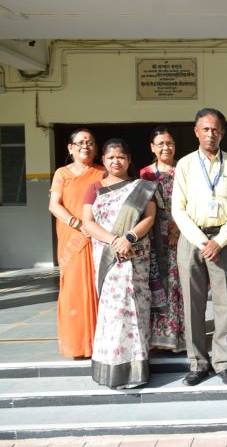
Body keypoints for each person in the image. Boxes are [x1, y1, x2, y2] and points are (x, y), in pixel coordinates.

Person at [172, 108, 227, 386]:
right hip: (192, 241)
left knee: (224, 305)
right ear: (196, 132)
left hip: (223, 241)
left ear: (222, 132)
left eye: (215, 129)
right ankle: (198, 363)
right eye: (205, 129)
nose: (210, 134)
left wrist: (219, 241)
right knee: (193, 304)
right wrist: (203, 242)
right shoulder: (185, 164)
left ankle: (223, 362)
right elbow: (178, 209)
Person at [82, 138, 157, 389]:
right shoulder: (94, 188)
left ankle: (136, 369)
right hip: (109, 258)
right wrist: (114, 240)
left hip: (134, 258)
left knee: (135, 310)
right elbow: (88, 222)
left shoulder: (141, 187)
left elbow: (149, 218)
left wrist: (129, 238)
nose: (116, 161)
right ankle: (110, 367)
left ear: (129, 160)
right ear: (103, 160)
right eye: (111, 157)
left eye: (121, 157)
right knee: (112, 314)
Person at [48, 128, 104, 358]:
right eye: (80, 143)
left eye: (90, 142)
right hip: (72, 238)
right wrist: (78, 224)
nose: (85, 146)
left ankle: (98, 342)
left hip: (97, 238)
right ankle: (77, 344)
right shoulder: (62, 173)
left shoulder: (102, 172)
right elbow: (54, 205)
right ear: (70, 148)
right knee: (73, 289)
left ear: (96, 148)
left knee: (98, 287)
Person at [140, 126, 185, 353]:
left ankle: (179, 336)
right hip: (155, 235)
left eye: (169, 143)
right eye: (160, 144)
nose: (165, 148)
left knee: (179, 283)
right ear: (152, 147)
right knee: (157, 283)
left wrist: (177, 230)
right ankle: (159, 337)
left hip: (182, 233)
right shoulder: (145, 173)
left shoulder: (183, 170)